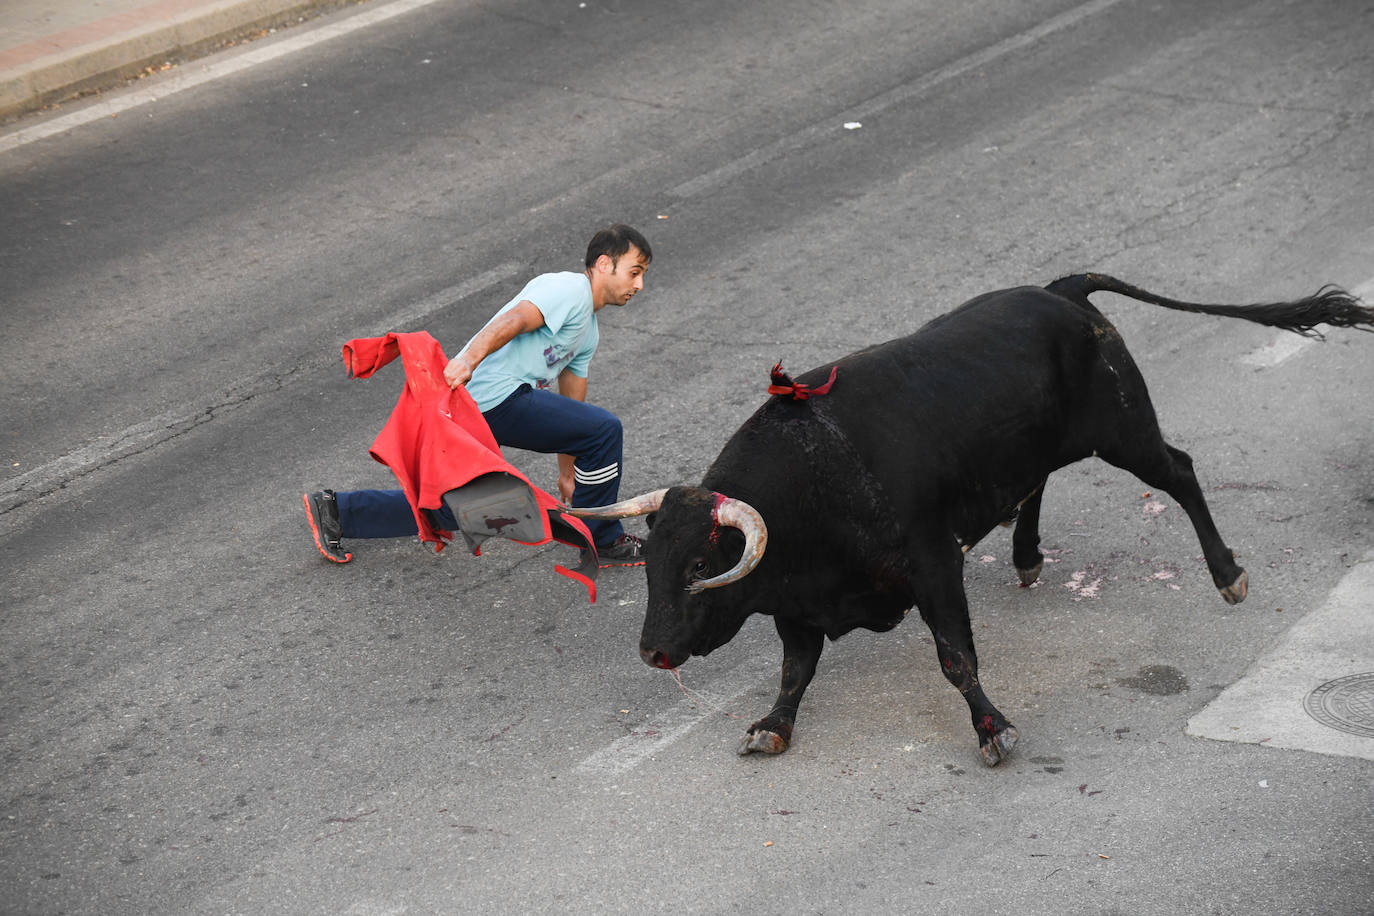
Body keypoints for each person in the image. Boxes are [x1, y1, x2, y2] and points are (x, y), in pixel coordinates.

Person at [303, 224, 652, 567]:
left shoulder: (587, 331)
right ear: (605, 264)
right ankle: (602, 538)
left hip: (486, 408)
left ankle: (338, 511)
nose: (638, 285)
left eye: (643, 276)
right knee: (606, 429)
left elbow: (572, 409)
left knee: (476, 508)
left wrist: (568, 472)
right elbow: (514, 319)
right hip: (495, 396)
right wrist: (468, 359)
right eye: (634, 272)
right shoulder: (569, 289)